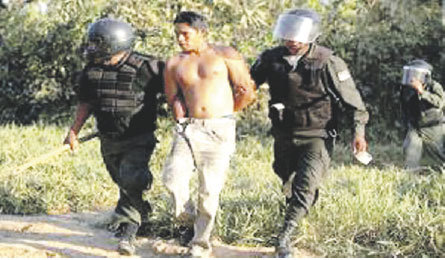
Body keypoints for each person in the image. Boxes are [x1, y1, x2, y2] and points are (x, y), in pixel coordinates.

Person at [250, 9, 370, 258]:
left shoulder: (328, 62)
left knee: (306, 183)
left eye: (297, 37)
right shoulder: (271, 58)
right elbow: (247, 85)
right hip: (284, 133)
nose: (292, 42)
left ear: (310, 36)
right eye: (288, 36)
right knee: (287, 178)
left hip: (318, 133)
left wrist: (358, 132)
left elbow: (354, 103)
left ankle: (285, 235)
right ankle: (297, 205)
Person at [64, 18, 164, 255]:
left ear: (114, 43)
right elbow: (86, 103)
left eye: (98, 43)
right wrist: (73, 131)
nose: (93, 48)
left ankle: (129, 232)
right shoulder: (92, 70)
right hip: (108, 139)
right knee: (122, 180)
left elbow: (177, 89)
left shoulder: (148, 67)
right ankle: (143, 213)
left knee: (132, 177)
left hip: (139, 137)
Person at [162, 11, 256, 257]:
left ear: (202, 32)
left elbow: (246, 90)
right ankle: (188, 222)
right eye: (177, 34)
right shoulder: (175, 62)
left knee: (209, 191)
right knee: (172, 178)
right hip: (187, 128)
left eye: (185, 34)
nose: (180, 39)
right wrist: (181, 119)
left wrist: (224, 115)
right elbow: (174, 97)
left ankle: (200, 244)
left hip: (219, 128)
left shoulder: (226, 55)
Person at [400, 59, 445, 171]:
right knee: (410, 153)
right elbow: (405, 107)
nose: (412, 78)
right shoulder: (407, 89)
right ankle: (410, 179)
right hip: (416, 127)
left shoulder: (435, 86)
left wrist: (422, 92)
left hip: (434, 127)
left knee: (440, 155)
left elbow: (440, 102)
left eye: (415, 74)